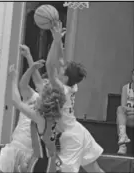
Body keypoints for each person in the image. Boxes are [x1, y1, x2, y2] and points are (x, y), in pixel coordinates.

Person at [46, 21, 104, 173]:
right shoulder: (72, 86)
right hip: (78, 130)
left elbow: (49, 66)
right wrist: (58, 40)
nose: (60, 67)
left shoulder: (62, 89)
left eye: (62, 69)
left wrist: (56, 40)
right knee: (94, 170)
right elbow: (58, 61)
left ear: (64, 78)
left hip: (70, 136)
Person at [0, 45, 47, 173]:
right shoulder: (33, 96)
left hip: (31, 153)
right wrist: (29, 62)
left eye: (48, 84)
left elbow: (16, 100)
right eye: (44, 82)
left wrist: (30, 64)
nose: (44, 85)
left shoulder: (47, 110)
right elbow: (23, 84)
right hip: (16, 145)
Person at [117, 69, 134, 154]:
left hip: (130, 115)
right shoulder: (126, 88)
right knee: (119, 110)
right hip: (129, 117)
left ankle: (122, 141)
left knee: (120, 117)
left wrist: (130, 110)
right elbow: (123, 107)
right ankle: (122, 144)